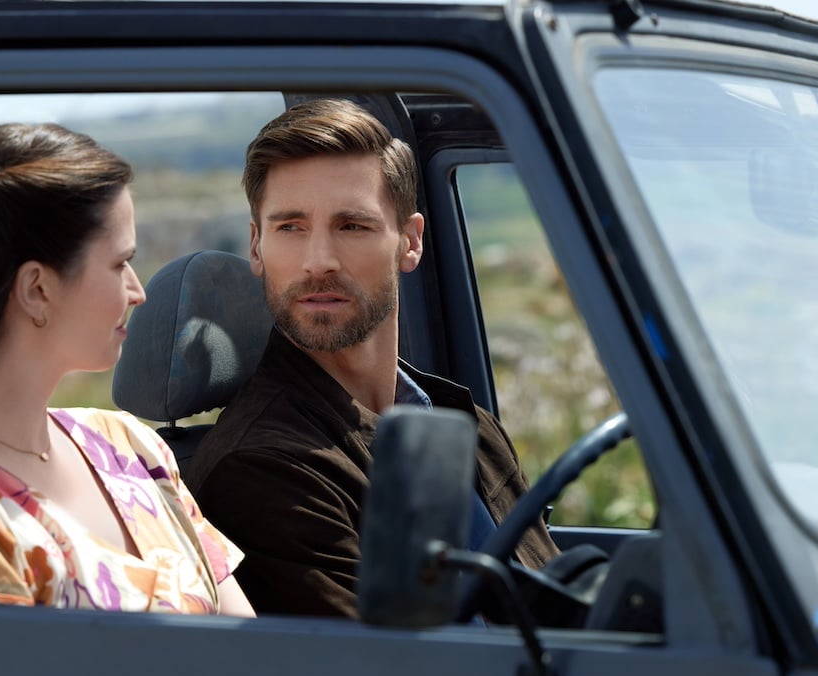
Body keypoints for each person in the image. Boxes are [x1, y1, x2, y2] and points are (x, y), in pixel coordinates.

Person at [0, 122, 254, 617]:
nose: (138, 291)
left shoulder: (130, 444)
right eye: (121, 264)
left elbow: (251, 648)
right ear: (37, 289)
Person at [185, 99, 557, 618]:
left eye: (352, 226)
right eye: (290, 227)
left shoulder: (464, 422)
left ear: (410, 242)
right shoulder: (263, 469)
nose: (319, 261)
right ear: (256, 246)